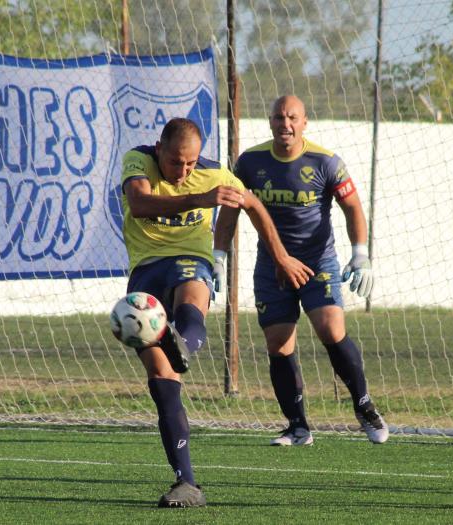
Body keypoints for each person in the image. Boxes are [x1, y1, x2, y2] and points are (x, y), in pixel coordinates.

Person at [119, 117, 313, 507]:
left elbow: (252, 204)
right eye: (176, 162)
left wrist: (279, 257)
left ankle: (184, 343)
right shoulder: (138, 160)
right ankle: (186, 483)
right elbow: (139, 204)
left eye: (191, 164)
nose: (185, 170)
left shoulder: (213, 173)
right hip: (145, 270)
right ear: (160, 149)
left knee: (191, 301)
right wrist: (198, 199)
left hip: (191, 258)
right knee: (162, 378)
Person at [213, 95, 389, 446]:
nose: (286, 125)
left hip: (316, 262)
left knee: (330, 328)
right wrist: (217, 256)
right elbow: (230, 209)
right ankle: (298, 427)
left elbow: (352, 206)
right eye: (279, 117)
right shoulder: (249, 162)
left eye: (293, 118)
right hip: (272, 265)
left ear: (305, 122)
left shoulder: (326, 162)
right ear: (269, 122)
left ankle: (364, 405)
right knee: (278, 343)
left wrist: (360, 255)